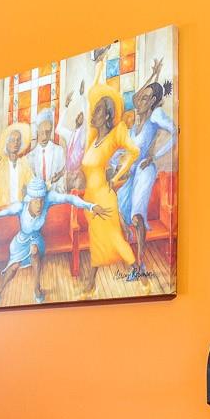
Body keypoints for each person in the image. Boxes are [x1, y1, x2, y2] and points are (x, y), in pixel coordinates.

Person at [0, 177, 100, 306]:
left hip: (36, 239)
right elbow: (0, 214)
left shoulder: (48, 200)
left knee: (35, 252)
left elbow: (70, 199)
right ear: (29, 199)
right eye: (36, 201)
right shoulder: (20, 207)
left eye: (41, 200)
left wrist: (90, 206)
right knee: (14, 267)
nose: (39, 205)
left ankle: (36, 289)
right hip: (20, 241)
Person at [78, 79, 140, 287]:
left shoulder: (114, 136)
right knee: (97, 241)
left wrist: (115, 178)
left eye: (98, 111)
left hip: (104, 197)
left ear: (106, 116)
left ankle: (139, 277)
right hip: (90, 199)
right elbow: (89, 94)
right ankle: (91, 283)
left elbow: (134, 151)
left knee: (114, 238)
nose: (93, 114)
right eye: (94, 110)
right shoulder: (93, 140)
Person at [124, 79, 176, 281]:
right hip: (132, 171)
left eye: (145, 99)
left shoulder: (155, 115)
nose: (139, 102)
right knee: (122, 213)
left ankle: (140, 263)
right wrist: (152, 74)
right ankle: (134, 262)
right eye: (140, 98)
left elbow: (175, 132)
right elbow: (135, 97)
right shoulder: (135, 122)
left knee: (137, 218)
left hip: (146, 170)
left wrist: (155, 156)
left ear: (153, 100)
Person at [32, 107, 69, 194]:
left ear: (51, 130)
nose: (45, 136)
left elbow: (62, 181)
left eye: (48, 132)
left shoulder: (59, 151)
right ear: (37, 131)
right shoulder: (30, 156)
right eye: (42, 132)